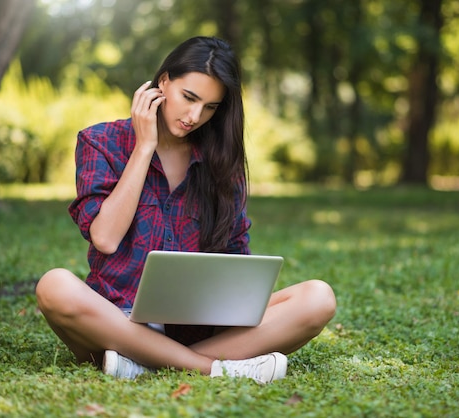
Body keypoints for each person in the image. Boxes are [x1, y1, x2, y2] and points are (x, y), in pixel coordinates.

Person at [36, 36, 336, 384]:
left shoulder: (221, 162)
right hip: (115, 323)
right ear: (163, 82)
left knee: (318, 298)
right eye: (189, 98)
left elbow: (237, 260)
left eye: (210, 107)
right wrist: (144, 146)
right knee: (54, 285)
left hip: (200, 332)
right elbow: (105, 237)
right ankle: (214, 369)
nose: (195, 116)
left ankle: (143, 365)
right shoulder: (101, 142)